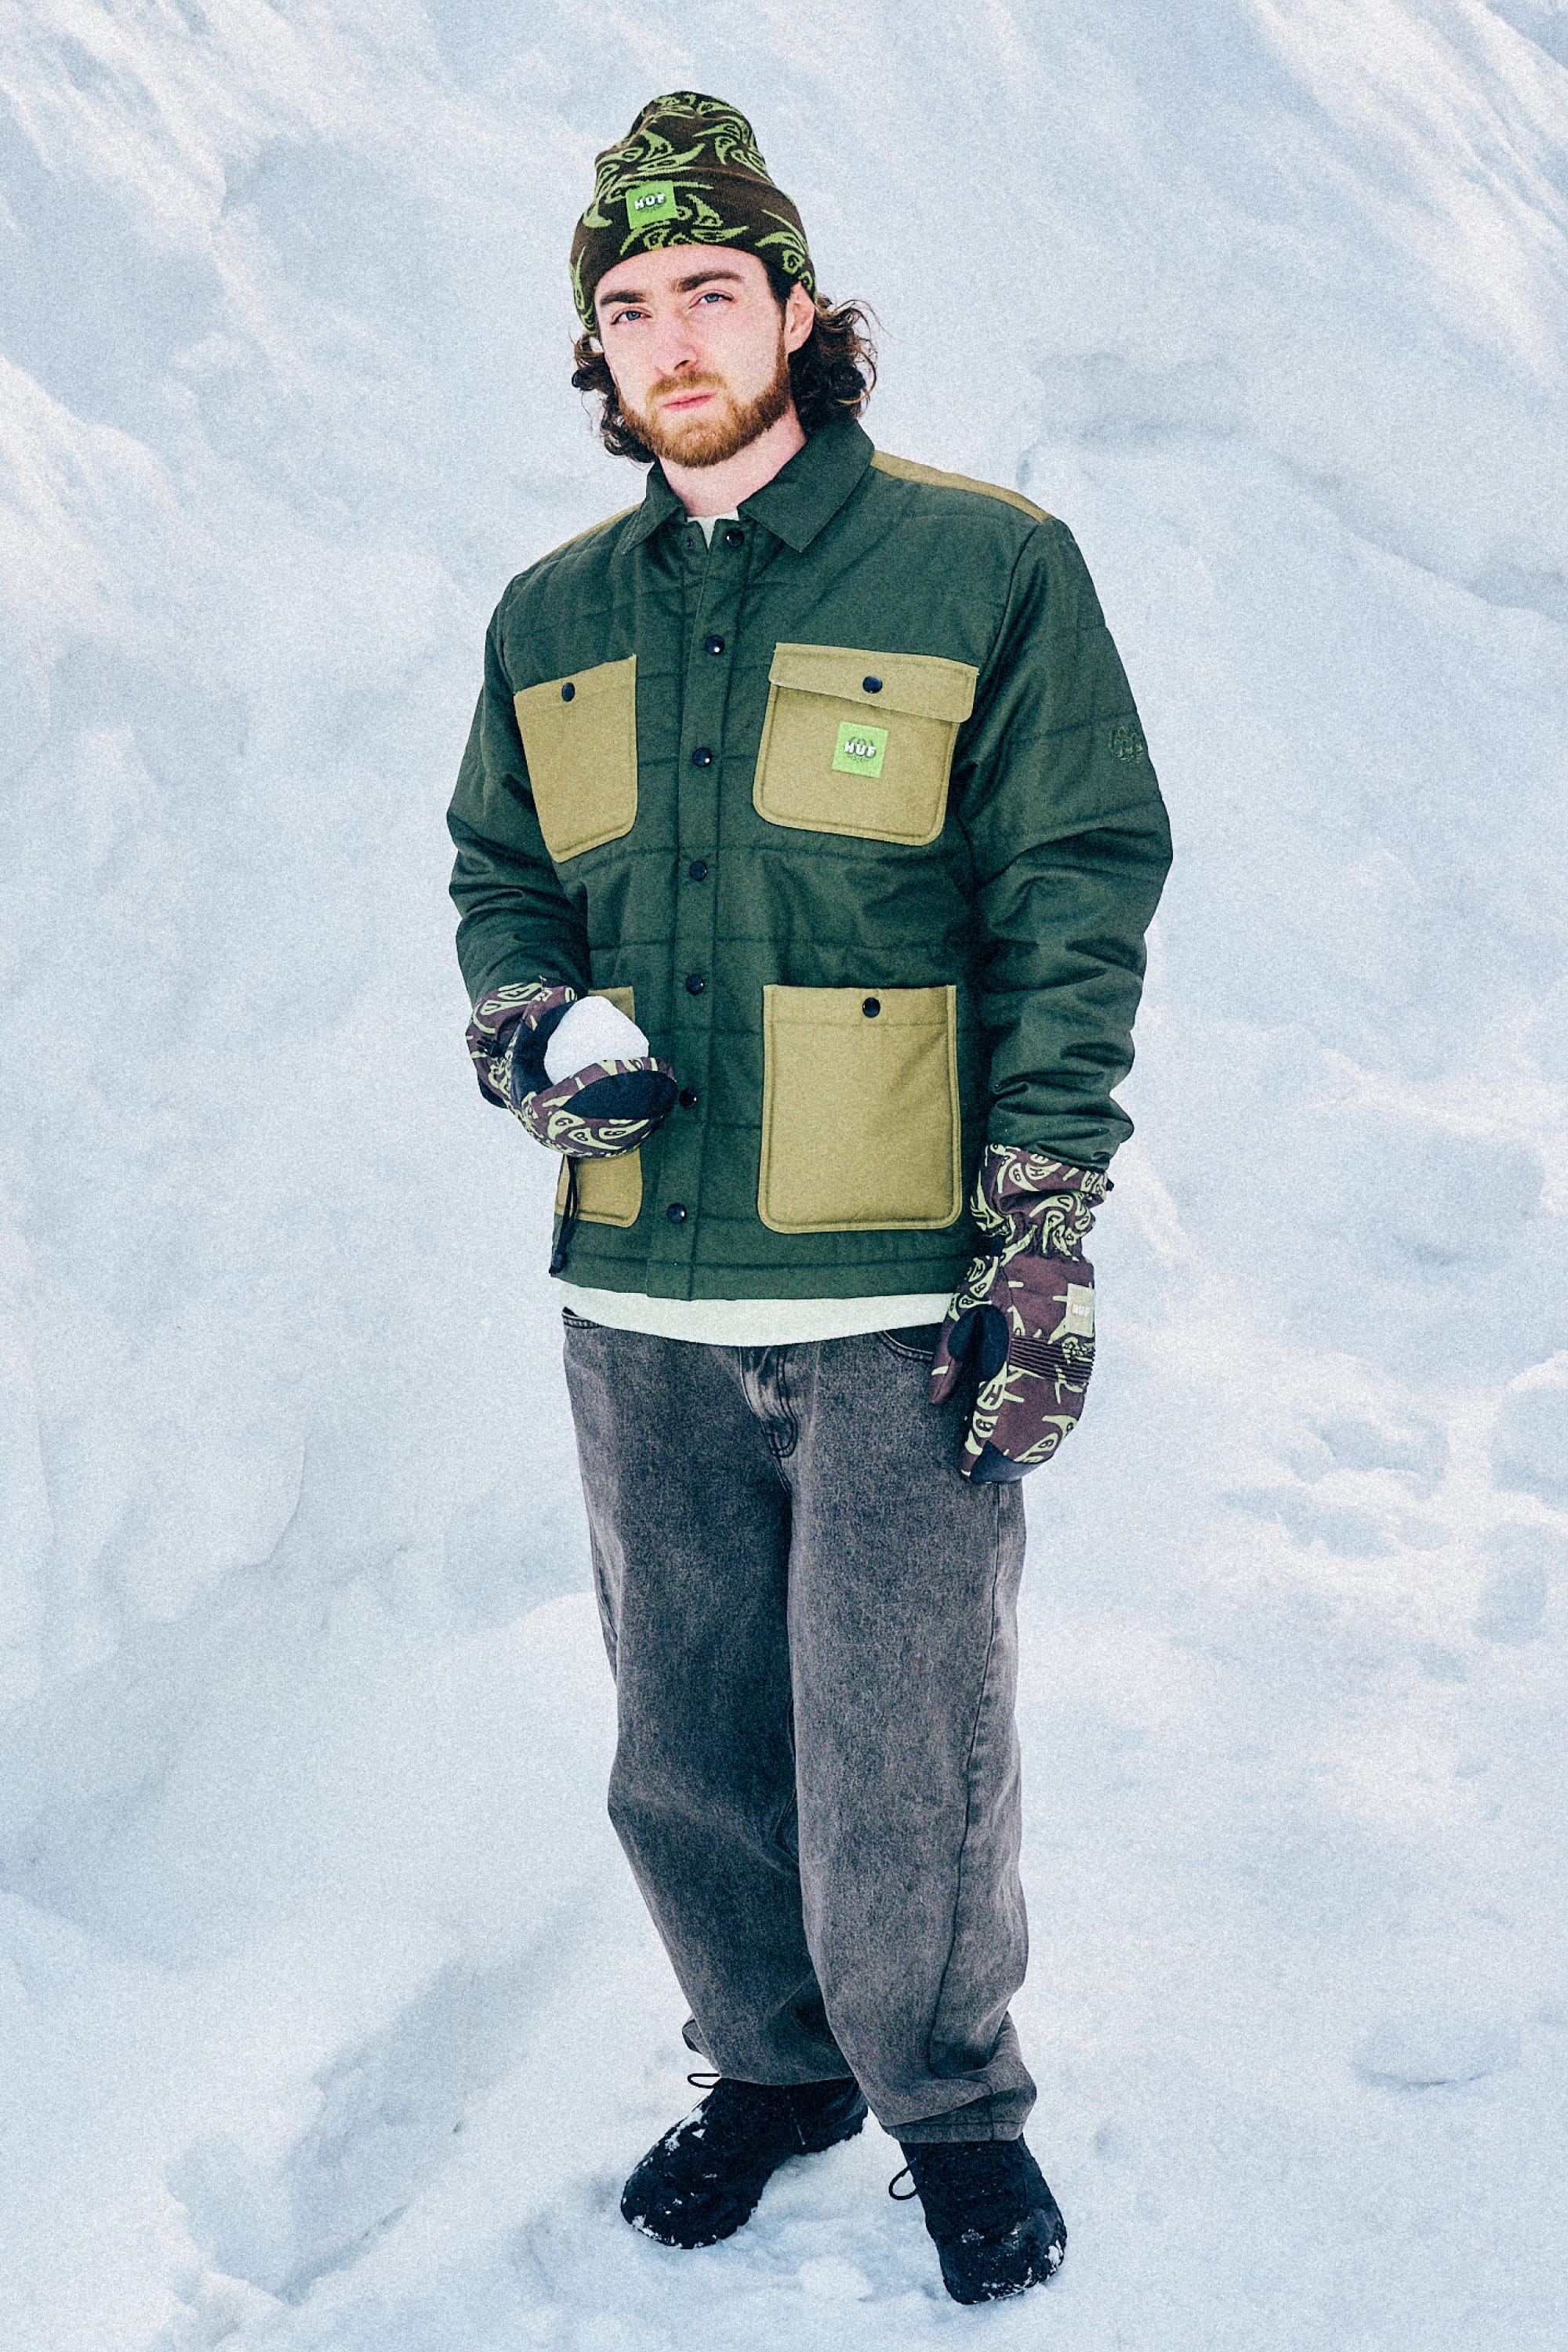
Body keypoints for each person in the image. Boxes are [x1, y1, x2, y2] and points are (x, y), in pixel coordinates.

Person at [447, 91, 1171, 2306]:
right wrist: (529, 1031)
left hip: (890, 1283)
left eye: (711, 291)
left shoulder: (985, 566)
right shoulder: (554, 612)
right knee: (683, 1736)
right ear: (601, 347)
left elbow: (1074, 886)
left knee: (903, 1733)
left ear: (796, 310)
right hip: (640, 1289)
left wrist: (1037, 1227)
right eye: (630, 304)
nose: (672, 334)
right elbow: (499, 880)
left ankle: (948, 2102)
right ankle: (770, 2070)